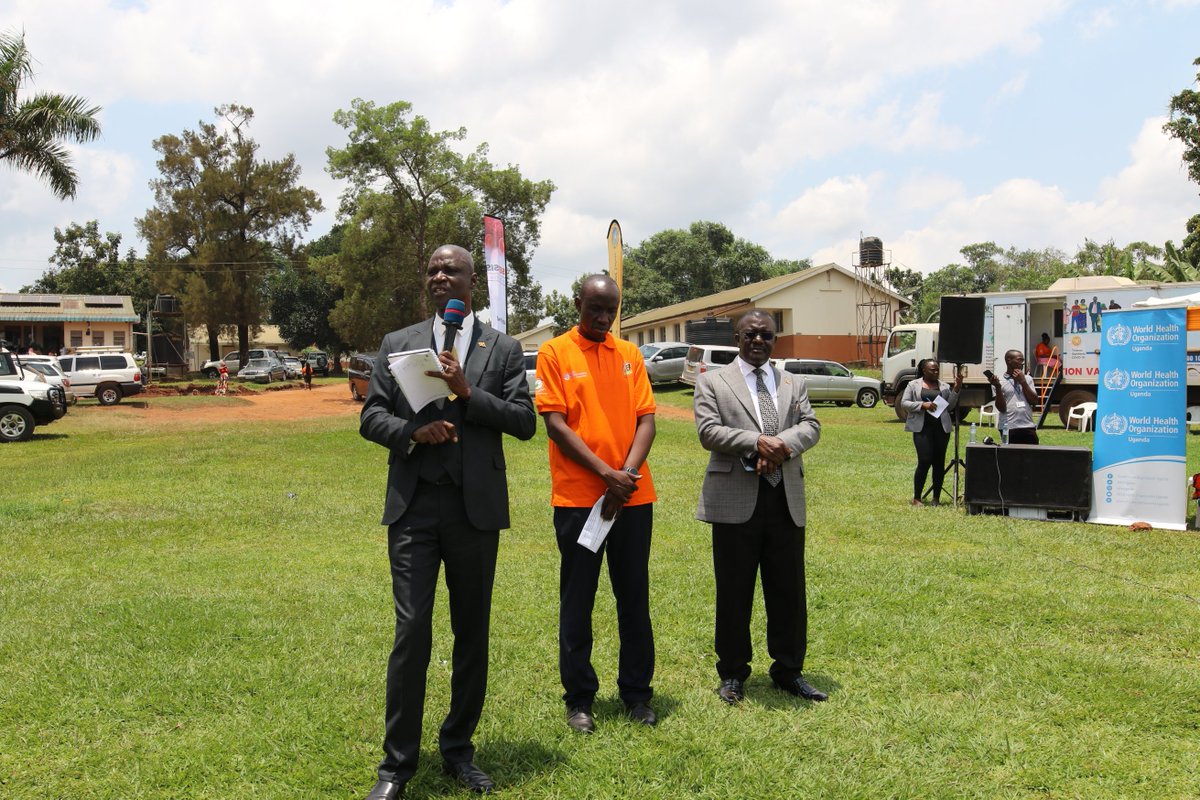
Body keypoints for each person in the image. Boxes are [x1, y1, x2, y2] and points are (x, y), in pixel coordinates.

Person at [358, 244, 536, 800]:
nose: (440, 275)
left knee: (471, 634)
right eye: (433, 269)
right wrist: (412, 433)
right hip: (415, 509)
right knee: (412, 632)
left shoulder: (502, 349)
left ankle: (458, 750)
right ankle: (396, 768)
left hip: (474, 513)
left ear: (470, 283)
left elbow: (525, 421)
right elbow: (371, 416)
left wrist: (467, 391)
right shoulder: (399, 343)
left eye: (451, 269)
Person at [534, 274, 658, 734]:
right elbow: (556, 425)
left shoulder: (629, 354)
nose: (604, 318)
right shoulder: (554, 352)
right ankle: (580, 698)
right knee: (578, 600)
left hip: (632, 498)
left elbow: (646, 420)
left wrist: (623, 477)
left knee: (633, 598)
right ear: (577, 303)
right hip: (578, 499)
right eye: (595, 309)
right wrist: (605, 475)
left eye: (611, 310)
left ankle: (637, 694)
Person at [693, 310, 826, 705]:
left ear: (774, 340)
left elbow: (811, 425)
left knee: (788, 591)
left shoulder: (791, 381)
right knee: (734, 591)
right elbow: (708, 430)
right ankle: (733, 674)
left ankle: (789, 671)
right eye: (751, 334)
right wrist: (757, 442)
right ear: (737, 337)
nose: (758, 341)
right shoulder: (713, 381)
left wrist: (780, 445)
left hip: (784, 498)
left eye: (766, 336)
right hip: (735, 500)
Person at [900, 358, 961, 506]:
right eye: (932, 369)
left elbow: (950, 406)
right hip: (923, 428)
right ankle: (917, 498)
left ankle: (936, 498)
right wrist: (923, 405)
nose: (936, 372)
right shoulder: (913, 385)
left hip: (941, 428)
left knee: (939, 463)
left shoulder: (944, 386)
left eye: (937, 369)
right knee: (925, 460)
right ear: (924, 370)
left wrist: (956, 389)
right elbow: (904, 403)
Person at [990, 349, 1040, 445]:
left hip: (1027, 426)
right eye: (1019, 360)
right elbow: (1001, 408)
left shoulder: (1028, 379)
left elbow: (1034, 401)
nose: (1022, 363)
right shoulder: (998, 381)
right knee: (1011, 458)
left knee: (1031, 458)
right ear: (1009, 360)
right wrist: (998, 387)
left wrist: (1023, 382)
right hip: (1009, 427)